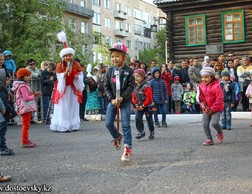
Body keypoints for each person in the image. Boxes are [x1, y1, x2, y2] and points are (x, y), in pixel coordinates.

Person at [104, 42, 135, 162]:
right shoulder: (110, 70)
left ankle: (127, 148)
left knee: (125, 124)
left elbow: (130, 87)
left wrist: (122, 97)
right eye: (112, 56)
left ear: (124, 56)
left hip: (125, 101)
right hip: (112, 101)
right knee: (108, 123)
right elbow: (106, 85)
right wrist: (111, 99)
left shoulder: (129, 71)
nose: (114, 59)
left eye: (117, 56)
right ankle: (117, 136)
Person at [50, 46, 84, 132]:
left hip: (73, 88)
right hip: (64, 88)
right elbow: (58, 77)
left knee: (73, 105)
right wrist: (65, 72)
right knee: (63, 106)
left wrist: (77, 77)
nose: (68, 57)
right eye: (66, 56)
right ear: (63, 57)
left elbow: (81, 74)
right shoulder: (59, 65)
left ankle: (72, 124)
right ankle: (63, 124)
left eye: (70, 55)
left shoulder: (76, 64)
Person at [13, 68, 41, 148]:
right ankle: (24, 141)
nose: (29, 77)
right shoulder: (23, 86)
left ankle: (26, 139)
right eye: (27, 76)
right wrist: (34, 95)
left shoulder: (22, 85)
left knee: (26, 125)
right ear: (22, 77)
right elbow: (26, 98)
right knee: (26, 125)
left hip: (24, 107)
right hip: (25, 108)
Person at [198, 67, 224, 146]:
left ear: (211, 77)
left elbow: (219, 99)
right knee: (205, 124)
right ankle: (209, 139)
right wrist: (204, 107)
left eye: (206, 77)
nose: (204, 79)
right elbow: (200, 98)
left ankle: (220, 132)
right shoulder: (201, 86)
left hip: (216, 108)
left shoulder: (216, 86)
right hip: (207, 108)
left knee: (214, 123)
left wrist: (212, 109)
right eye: (203, 77)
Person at [132, 68, 155, 140]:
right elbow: (133, 96)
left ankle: (151, 132)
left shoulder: (146, 86)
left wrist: (143, 105)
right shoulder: (134, 86)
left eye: (138, 76)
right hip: (139, 105)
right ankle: (141, 131)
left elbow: (149, 98)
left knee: (149, 119)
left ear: (142, 77)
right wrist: (136, 104)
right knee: (138, 118)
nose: (136, 78)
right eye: (135, 76)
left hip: (148, 106)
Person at [26, 58, 42, 124]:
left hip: (37, 88)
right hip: (30, 88)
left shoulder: (36, 69)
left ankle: (39, 117)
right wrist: (37, 75)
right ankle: (30, 118)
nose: (33, 65)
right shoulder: (27, 69)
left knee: (38, 102)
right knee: (30, 103)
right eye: (31, 64)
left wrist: (38, 75)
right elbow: (35, 75)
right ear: (28, 65)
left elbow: (39, 75)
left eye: (34, 63)